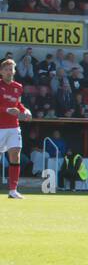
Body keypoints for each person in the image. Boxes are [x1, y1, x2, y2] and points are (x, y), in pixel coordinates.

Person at [1, 59, 33, 198]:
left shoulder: (18, 86)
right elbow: (8, 106)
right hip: (0, 126)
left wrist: (25, 110)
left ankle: (13, 190)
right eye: (6, 69)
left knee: (15, 155)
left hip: (14, 126)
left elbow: (18, 104)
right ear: (1, 71)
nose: (9, 72)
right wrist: (7, 109)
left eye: (11, 69)